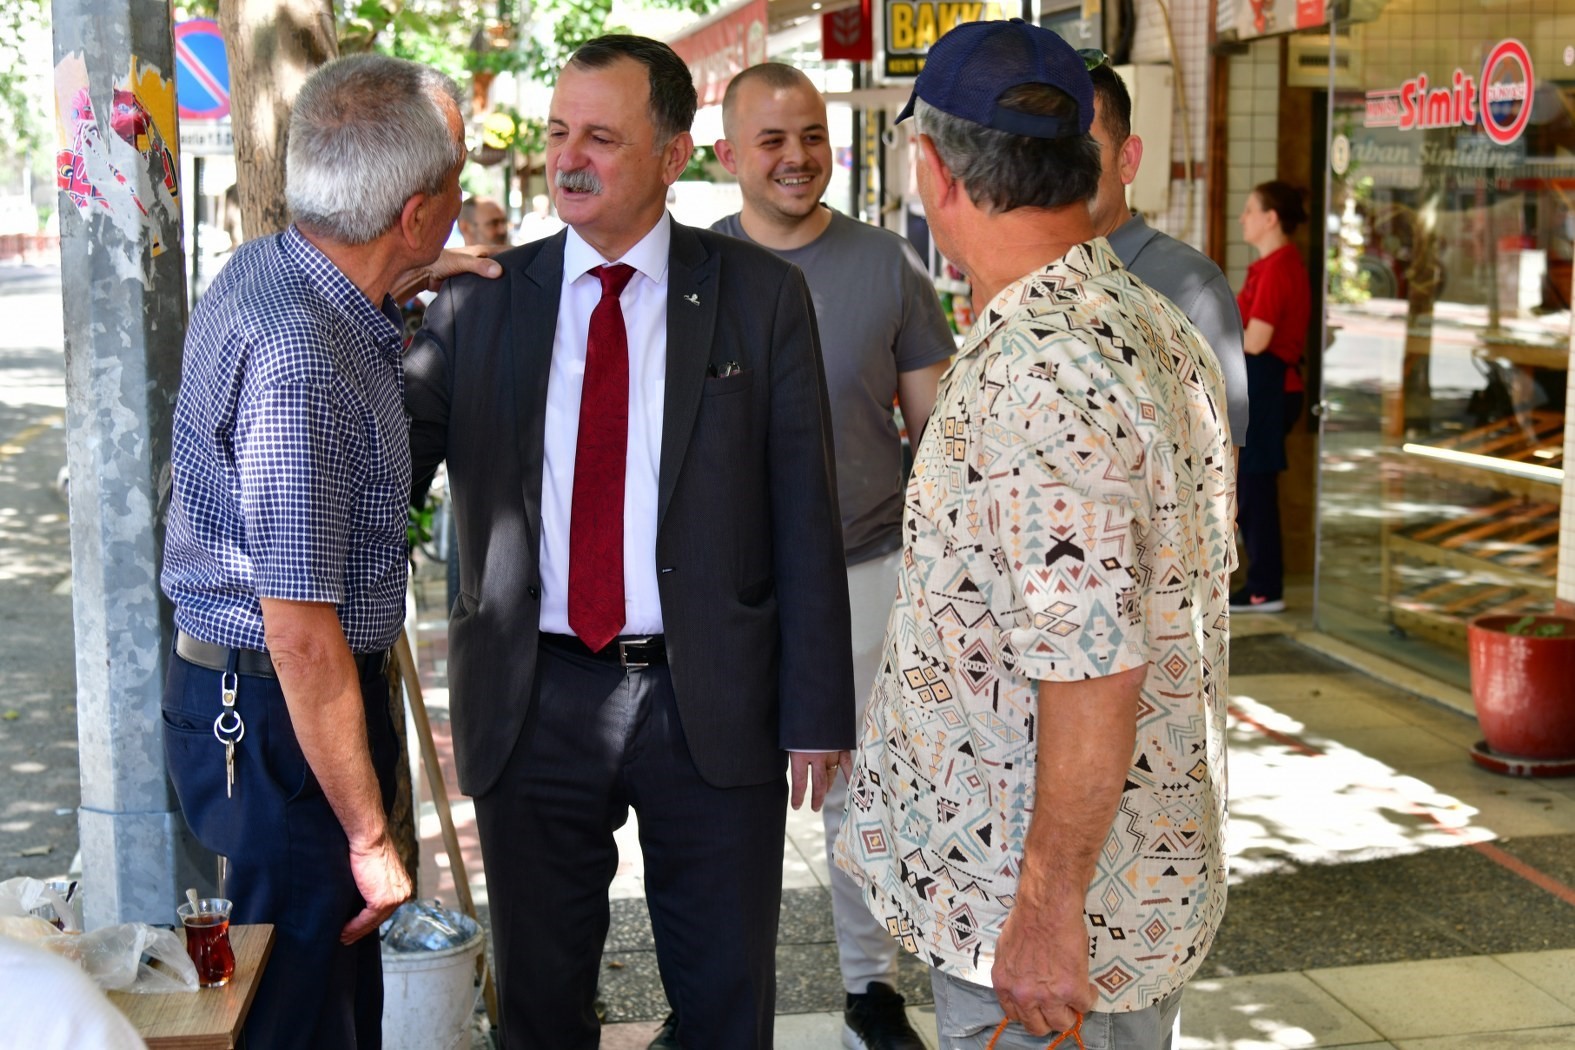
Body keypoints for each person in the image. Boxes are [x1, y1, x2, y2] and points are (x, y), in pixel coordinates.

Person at [403, 34, 855, 1050]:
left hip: (709, 694)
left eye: (602, 137)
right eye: (561, 132)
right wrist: (373, 295)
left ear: (674, 153)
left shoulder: (757, 296)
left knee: (725, 997)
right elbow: (388, 466)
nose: (572, 158)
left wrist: (818, 711)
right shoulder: (478, 299)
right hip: (534, 696)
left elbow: (803, 509)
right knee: (540, 1005)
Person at [835, 20, 1233, 1050]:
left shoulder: (1041, 369)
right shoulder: (1146, 319)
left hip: (1046, 932)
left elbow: (1092, 666)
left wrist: (1048, 918)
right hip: (1107, 897)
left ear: (936, 174)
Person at [159, 54, 496, 1049]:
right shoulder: (303, 358)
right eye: (452, 186)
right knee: (299, 1015)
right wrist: (368, 836)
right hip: (278, 722)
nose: (462, 203)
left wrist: (416, 276)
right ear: (416, 213)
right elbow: (301, 634)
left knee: (316, 999)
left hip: (273, 715)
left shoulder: (284, 270)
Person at [707, 61, 955, 1050]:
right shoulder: (694, 267)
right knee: (722, 797)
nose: (798, 157)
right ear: (728, 155)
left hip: (865, 571)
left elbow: (936, 432)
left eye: (811, 135)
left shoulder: (888, 265)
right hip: (729, 590)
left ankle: (869, 988)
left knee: (863, 792)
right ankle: (714, 992)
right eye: (771, 140)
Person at [1085, 59, 1248, 448]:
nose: (1060, 171)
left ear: (1127, 160)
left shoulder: (1192, 290)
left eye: (1081, 148)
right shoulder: (1024, 275)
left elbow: (1220, 476)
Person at [1231, 180, 1311, 614]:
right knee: (1250, 487)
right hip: (1262, 386)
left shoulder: (1280, 267)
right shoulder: (1269, 265)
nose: (1243, 218)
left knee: (1256, 489)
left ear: (1271, 218)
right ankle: (1262, 581)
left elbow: (1258, 339)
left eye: (1249, 209)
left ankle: (1265, 586)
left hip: (1271, 386)